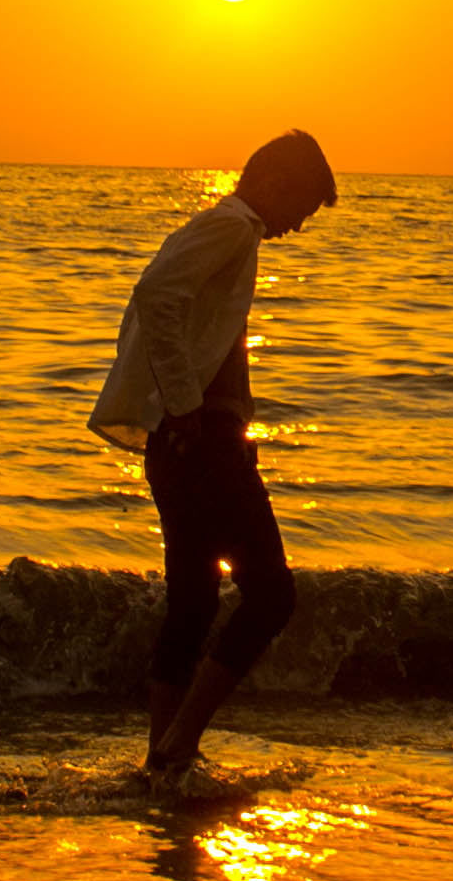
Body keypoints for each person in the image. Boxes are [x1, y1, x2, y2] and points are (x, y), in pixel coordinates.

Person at [91, 132, 339, 780]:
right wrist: (184, 406)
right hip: (199, 442)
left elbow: (190, 322)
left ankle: (162, 759)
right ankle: (177, 744)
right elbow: (156, 295)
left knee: (195, 603)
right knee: (272, 596)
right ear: (278, 182)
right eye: (303, 209)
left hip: (189, 440)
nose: (296, 226)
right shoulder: (233, 226)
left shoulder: (226, 230)